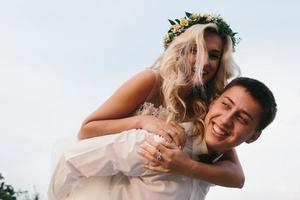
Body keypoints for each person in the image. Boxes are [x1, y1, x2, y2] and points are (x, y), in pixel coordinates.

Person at [75, 11, 244, 186]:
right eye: (195, 50)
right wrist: (143, 121)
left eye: (213, 55)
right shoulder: (150, 81)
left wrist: (188, 166)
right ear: (179, 51)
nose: (204, 61)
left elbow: (237, 178)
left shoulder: (211, 105)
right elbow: (87, 130)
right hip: (112, 187)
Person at [48, 77, 277, 200]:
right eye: (225, 105)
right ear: (213, 103)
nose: (226, 120)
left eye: (242, 118)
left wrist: (188, 167)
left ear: (253, 137)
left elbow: (238, 179)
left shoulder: (214, 168)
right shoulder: (157, 144)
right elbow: (71, 159)